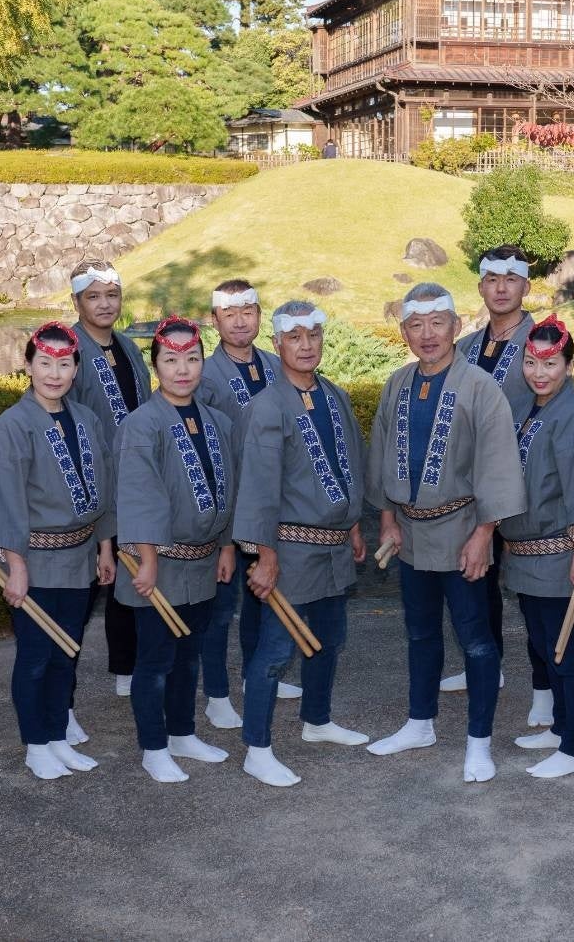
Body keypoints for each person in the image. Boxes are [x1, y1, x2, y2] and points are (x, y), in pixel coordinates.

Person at [365, 284, 526, 784]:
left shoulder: (480, 386)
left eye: (438, 323)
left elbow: (498, 463)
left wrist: (484, 533)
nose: (428, 334)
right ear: (404, 333)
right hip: (410, 532)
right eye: (416, 325)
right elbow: (383, 451)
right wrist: (388, 518)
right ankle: (420, 723)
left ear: (456, 326)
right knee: (419, 633)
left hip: (463, 530)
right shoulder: (396, 383)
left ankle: (479, 742)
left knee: (476, 640)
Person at [235, 301, 372, 787]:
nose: (306, 345)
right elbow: (258, 486)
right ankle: (257, 748)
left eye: (313, 335)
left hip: (333, 545)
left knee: (329, 640)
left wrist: (353, 525)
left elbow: (351, 461)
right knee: (275, 651)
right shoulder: (267, 405)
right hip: (289, 548)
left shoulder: (334, 395)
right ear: (277, 345)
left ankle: (317, 720)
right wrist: (265, 556)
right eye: (294, 337)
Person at [0, 321, 116, 781]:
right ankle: (36, 745)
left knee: (67, 652)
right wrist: (14, 566)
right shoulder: (13, 425)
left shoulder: (87, 419)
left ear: (76, 368)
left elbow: (104, 488)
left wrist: (105, 547)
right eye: (45, 363)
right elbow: (5, 499)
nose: (54, 374)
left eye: (64, 364)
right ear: (28, 366)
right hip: (34, 560)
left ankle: (58, 737)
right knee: (36, 656)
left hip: (79, 558)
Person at [116, 317, 239, 783]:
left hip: (203, 560)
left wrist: (226, 545)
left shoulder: (217, 421)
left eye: (191, 358)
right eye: (170, 360)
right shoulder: (141, 424)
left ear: (203, 363)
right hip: (159, 563)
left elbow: (228, 489)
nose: (182, 369)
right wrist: (146, 558)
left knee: (190, 654)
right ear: (156, 366)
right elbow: (138, 494)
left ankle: (183, 732)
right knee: (155, 661)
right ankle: (153, 747)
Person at [498, 317, 574, 779]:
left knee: (568, 650)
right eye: (531, 362)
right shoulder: (525, 406)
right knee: (545, 647)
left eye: (550, 364)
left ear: (568, 365)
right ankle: (561, 727)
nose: (539, 372)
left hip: (559, 554)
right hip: (524, 554)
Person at [445, 246, 554, 730]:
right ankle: (487, 662)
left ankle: (545, 687)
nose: (501, 288)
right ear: (481, 287)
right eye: (492, 279)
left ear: (526, 286)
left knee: (533, 590)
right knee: (477, 578)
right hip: (470, 484)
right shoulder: (466, 345)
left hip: (526, 481)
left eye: (511, 279)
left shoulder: (543, 340)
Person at [196, 279, 295, 731]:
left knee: (264, 596)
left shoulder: (277, 364)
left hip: (273, 505)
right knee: (221, 606)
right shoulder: (204, 374)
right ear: (214, 320)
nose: (240, 321)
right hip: (227, 507)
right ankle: (217, 694)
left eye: (248, 311)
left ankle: (260, 675)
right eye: (230, 314)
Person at [66, 260, 151, 721]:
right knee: (82, 591)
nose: (104, 304)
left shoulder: (127, 347)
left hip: (133, 483)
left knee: (128, 573)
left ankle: (126, 664)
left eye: (112, 295)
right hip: (91, 486)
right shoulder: (69, 349)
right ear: (76, 301)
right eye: (94, 296)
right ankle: (62, 699)